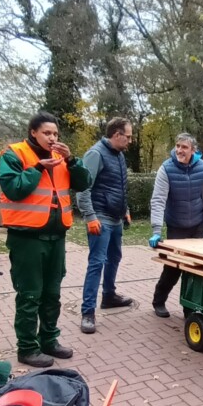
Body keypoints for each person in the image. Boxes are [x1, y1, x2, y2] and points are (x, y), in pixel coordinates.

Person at [0, 112, 92, 368]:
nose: (52, 138)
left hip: (56, 236)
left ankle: (49, 339)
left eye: (55, 134)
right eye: (46, 133)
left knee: (52, 293)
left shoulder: (61, 157)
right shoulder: (14, 154)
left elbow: (84, 183)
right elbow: (14, 189)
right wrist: (39, 168)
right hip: (26, 238)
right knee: (30, 295)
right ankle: (27, 348)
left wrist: (71, 160)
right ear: (33, 132)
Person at [148, 133, 203, 317]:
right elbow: (158, 200)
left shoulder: (202, 168)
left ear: (193, 150)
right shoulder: (166, 169)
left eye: (184, 147)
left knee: (196, 269)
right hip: (176, 226)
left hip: (198, 225)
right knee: (173, 268)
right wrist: (156, 230)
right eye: (178, 146)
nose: (179, 150)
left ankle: (190, 308)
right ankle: (159, 301)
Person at [78, 117, 134, 334]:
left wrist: (125, 209)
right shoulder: (96, 154)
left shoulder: (119, 155)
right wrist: (90, 217)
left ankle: (109, 296)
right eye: (128, 136)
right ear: (117, 134)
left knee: (114, 257)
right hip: (100, 218)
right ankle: (87, 312)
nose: (130, 140)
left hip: (116, 218)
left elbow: (119, 186)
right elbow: (82, 189)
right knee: (96, 263)